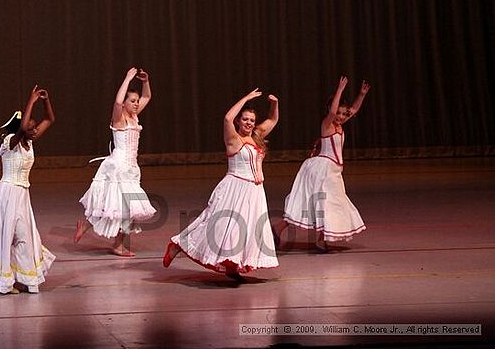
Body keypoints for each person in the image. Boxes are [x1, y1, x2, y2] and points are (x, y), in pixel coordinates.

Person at [163, 88, 280, 281]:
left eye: (252, 120)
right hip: (234, 188)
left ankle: (232, 266)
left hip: (255, 191)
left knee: (247, 228)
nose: (249, 123)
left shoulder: (257, 135)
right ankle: (178, 245)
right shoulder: (233, 139)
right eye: (245, 119)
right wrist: (246, 98)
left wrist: (274, 104)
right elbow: (227, 118)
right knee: (218, 225)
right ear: (239, 121)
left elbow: (273, 120)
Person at [273, 76, 371, 251]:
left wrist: (361, 95)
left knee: (322, 204)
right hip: (322, 169)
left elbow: (353, 110)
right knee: (325, 203)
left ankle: (279, 229)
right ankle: (320, 239)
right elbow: (333, 113)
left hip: (333, 170)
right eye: (338, 113)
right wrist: (339, 90)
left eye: (343, 113)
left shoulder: (340, 125)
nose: (340, 116)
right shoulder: (327, 125)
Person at [0, 85, 56, 294]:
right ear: (21, 126)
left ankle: (25, 277)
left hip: (22, 194)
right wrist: (31, 100)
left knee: (24, 237)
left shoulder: (29, 141)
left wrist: (45, 101)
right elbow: (21, 129)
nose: (34, 126)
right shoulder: (10, 141)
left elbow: (50, 120)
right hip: (7, 192)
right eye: (30, 124)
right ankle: (5, 281)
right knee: (7, 236)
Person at [75, 67, 156, 256]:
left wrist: (145, 82)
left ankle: (116, 244)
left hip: (131, 169)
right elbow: (118, 101)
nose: (136, 104)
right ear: (125, 103)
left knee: (127, 210)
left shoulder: (134, 117)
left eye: (137, 101)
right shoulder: (119, 119)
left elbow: (147, 97)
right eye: (132, 101)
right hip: (118, 168)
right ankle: (89, 228)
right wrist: (127, 78)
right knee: (116, 207)